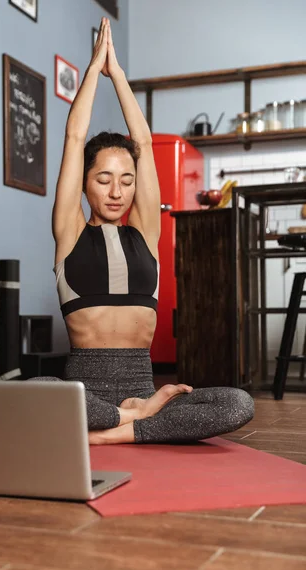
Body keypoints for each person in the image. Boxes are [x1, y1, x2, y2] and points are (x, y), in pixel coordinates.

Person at [32, 17, 254, 444]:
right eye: (103, 180)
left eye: (127, 180)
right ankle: (131, 422)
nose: (117, 191)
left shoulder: (144, 232)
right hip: (84, 391)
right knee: (35, 392)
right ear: (83, 183)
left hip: (144, 387)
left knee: (237, 403)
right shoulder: (70, 231)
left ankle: (110, 432)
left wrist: (121, 76)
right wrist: (96, 70)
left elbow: (144, 142)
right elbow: (75, 137)